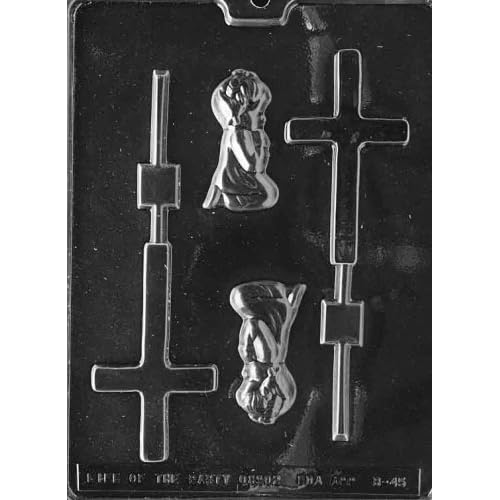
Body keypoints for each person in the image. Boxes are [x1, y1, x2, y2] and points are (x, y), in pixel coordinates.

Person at [230, 281, 306, 424]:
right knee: (239, 298)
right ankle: (279, 296)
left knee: (240, 299)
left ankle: (281, 297)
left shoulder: (249, 395)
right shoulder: (268, 358)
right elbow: (254, 324)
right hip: (266, 359)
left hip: (264, 360)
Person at [202, 69, 279, 212]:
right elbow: (253, 166)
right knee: (270, 196)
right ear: (241, 112)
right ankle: (229, 200)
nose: (264, 118)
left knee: (271, 193)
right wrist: (262, 146)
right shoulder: (239, 133)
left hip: (243, 181)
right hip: (235, 185)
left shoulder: (240, 131)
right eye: (260, 113)